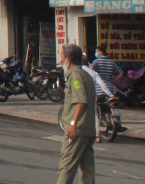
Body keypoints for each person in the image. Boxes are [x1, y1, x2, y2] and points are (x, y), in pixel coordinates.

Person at [56, 44, 96, 184]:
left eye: (62, 57)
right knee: (87, 169)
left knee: (66, 166)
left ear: (68, 59)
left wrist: (73, 124)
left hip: (77, 130)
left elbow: (81, 101)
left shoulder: (76, 76)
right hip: (88, 129)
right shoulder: (86, 74)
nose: (61, 61)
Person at [91, 45, 125, 131]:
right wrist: (113, 81)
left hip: (99, 89)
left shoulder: (96, 62)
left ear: (100, 52)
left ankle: (100, 124)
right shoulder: (112, 63)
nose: (96, 53)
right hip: (110, 89)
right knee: (113, 106)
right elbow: (121, 73)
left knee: (97, 107)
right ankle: (118, 124)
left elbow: (91, 70)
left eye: (97, 52)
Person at [81, 55, 110, 144]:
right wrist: (110, 94)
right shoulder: (94, 73)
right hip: (93, 96)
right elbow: (102, 85)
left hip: (81, 97)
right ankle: (97, 136)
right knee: (95, 115)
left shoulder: (78, 73)